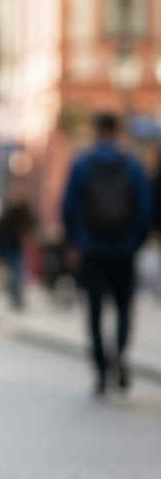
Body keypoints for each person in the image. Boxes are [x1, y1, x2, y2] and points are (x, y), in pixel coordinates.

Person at [61, 112, 152, 395]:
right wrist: (135, 242)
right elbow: (146, 210)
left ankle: (101, 369)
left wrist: (76, 241)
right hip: (124, 249)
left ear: (96, 130)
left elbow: (67, 208)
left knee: (95, 309)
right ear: (118, 131)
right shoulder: (134, 166)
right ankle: (120, 354)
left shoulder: (82, 164)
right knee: (124, 306)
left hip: (91, 249)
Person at [0, 184, 36, 309]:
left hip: (14, 244)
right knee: (16, 270)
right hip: (12, 244)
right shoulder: (12, 210)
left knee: (16, 270)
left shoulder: (14, 210)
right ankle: (16, 295)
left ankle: (16, 295)